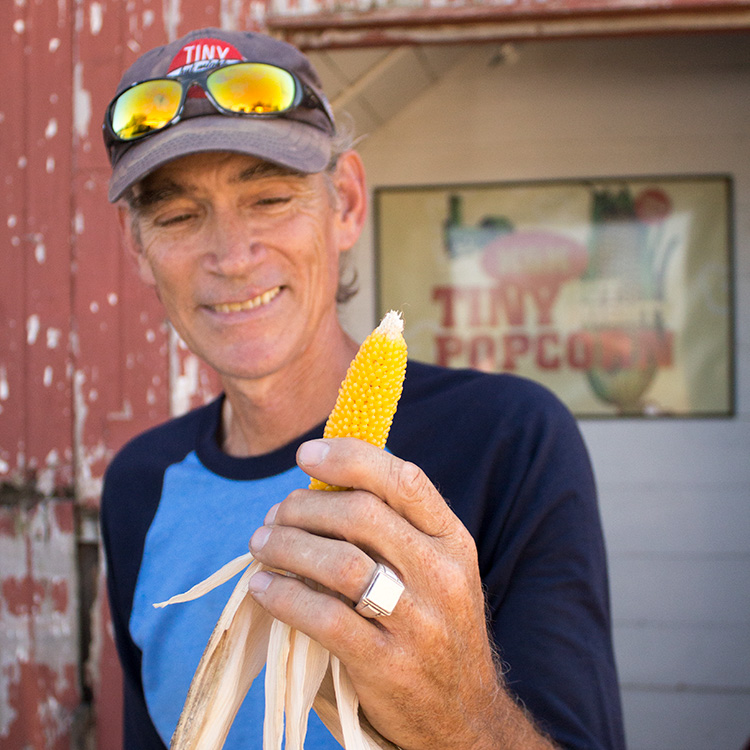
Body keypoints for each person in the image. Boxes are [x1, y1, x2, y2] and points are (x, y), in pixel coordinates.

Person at [99, 27, 626, 750]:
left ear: (345, 203)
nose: (231, 256)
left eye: (271, 198)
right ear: (139, 249)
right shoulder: (139, 483)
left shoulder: (508, 438)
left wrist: (455, 709)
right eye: (179, 216)